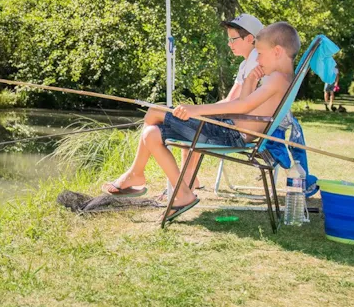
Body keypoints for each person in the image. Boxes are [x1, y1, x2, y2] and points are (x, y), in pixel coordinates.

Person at [102, 22, 302, 220]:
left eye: (260, 53)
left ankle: (143, 177)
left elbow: (242, 108)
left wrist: (195, 111)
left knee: (155, 111)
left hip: (230, 134)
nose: (257, 59)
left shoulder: (277, 78)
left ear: (277, 51)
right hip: (229, 131)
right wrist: (249, 82)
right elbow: (245, 105)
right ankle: (183, 194)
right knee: (151, 134)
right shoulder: (282, 77)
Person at [103, 13, 264, 195]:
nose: (229, 44)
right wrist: (199, 112)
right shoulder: (247, 64)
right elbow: (230, 100)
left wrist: (198, 111)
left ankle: (136, 173)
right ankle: (188, 179)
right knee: (157, 129)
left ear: (250, 38)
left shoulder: (257, 61)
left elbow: (239, 105)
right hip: (232, 126)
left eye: (233, 39)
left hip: (233, 131)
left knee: (156, 111)